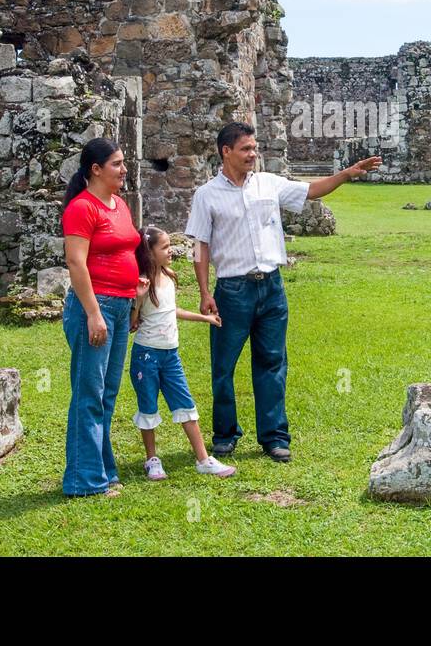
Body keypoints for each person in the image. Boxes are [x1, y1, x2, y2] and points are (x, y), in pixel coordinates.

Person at [185, 121, 381, 462]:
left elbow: (312, 191)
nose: (253, 153)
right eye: (246, 148)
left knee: (273, 362)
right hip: (232, 290)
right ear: (226, 152)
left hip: (272, 287)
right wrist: (204, 293)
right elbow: (200, 247)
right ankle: (225, 434)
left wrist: (346, 174)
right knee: (224, 365)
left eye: (254, 147)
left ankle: (274, 437)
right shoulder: (207, 195)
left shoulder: (268, 184)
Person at [60, 138, 140, 498]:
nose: (124, 170)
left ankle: (104, 471)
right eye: (117, 164)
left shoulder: (120, 205)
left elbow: (125, 248)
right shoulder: (81, 208)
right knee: (89, 393)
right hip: (96, 308)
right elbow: (76, 263)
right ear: (95, 169)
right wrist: (93, 313)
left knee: (107, 393)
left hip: (121, 307)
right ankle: (84, 480)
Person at [129, 225, 236, 480]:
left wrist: (204, 318)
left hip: (170, 356)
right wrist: (138, 299)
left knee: (186, 404)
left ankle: (203, 459)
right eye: (164, 247)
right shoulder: (142, 283)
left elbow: (171, 310)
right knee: (148, 407)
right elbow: (132, 325)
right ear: (149, 252)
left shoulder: (169, 276)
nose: (171, 251)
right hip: (146, 355)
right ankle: (152, 460)